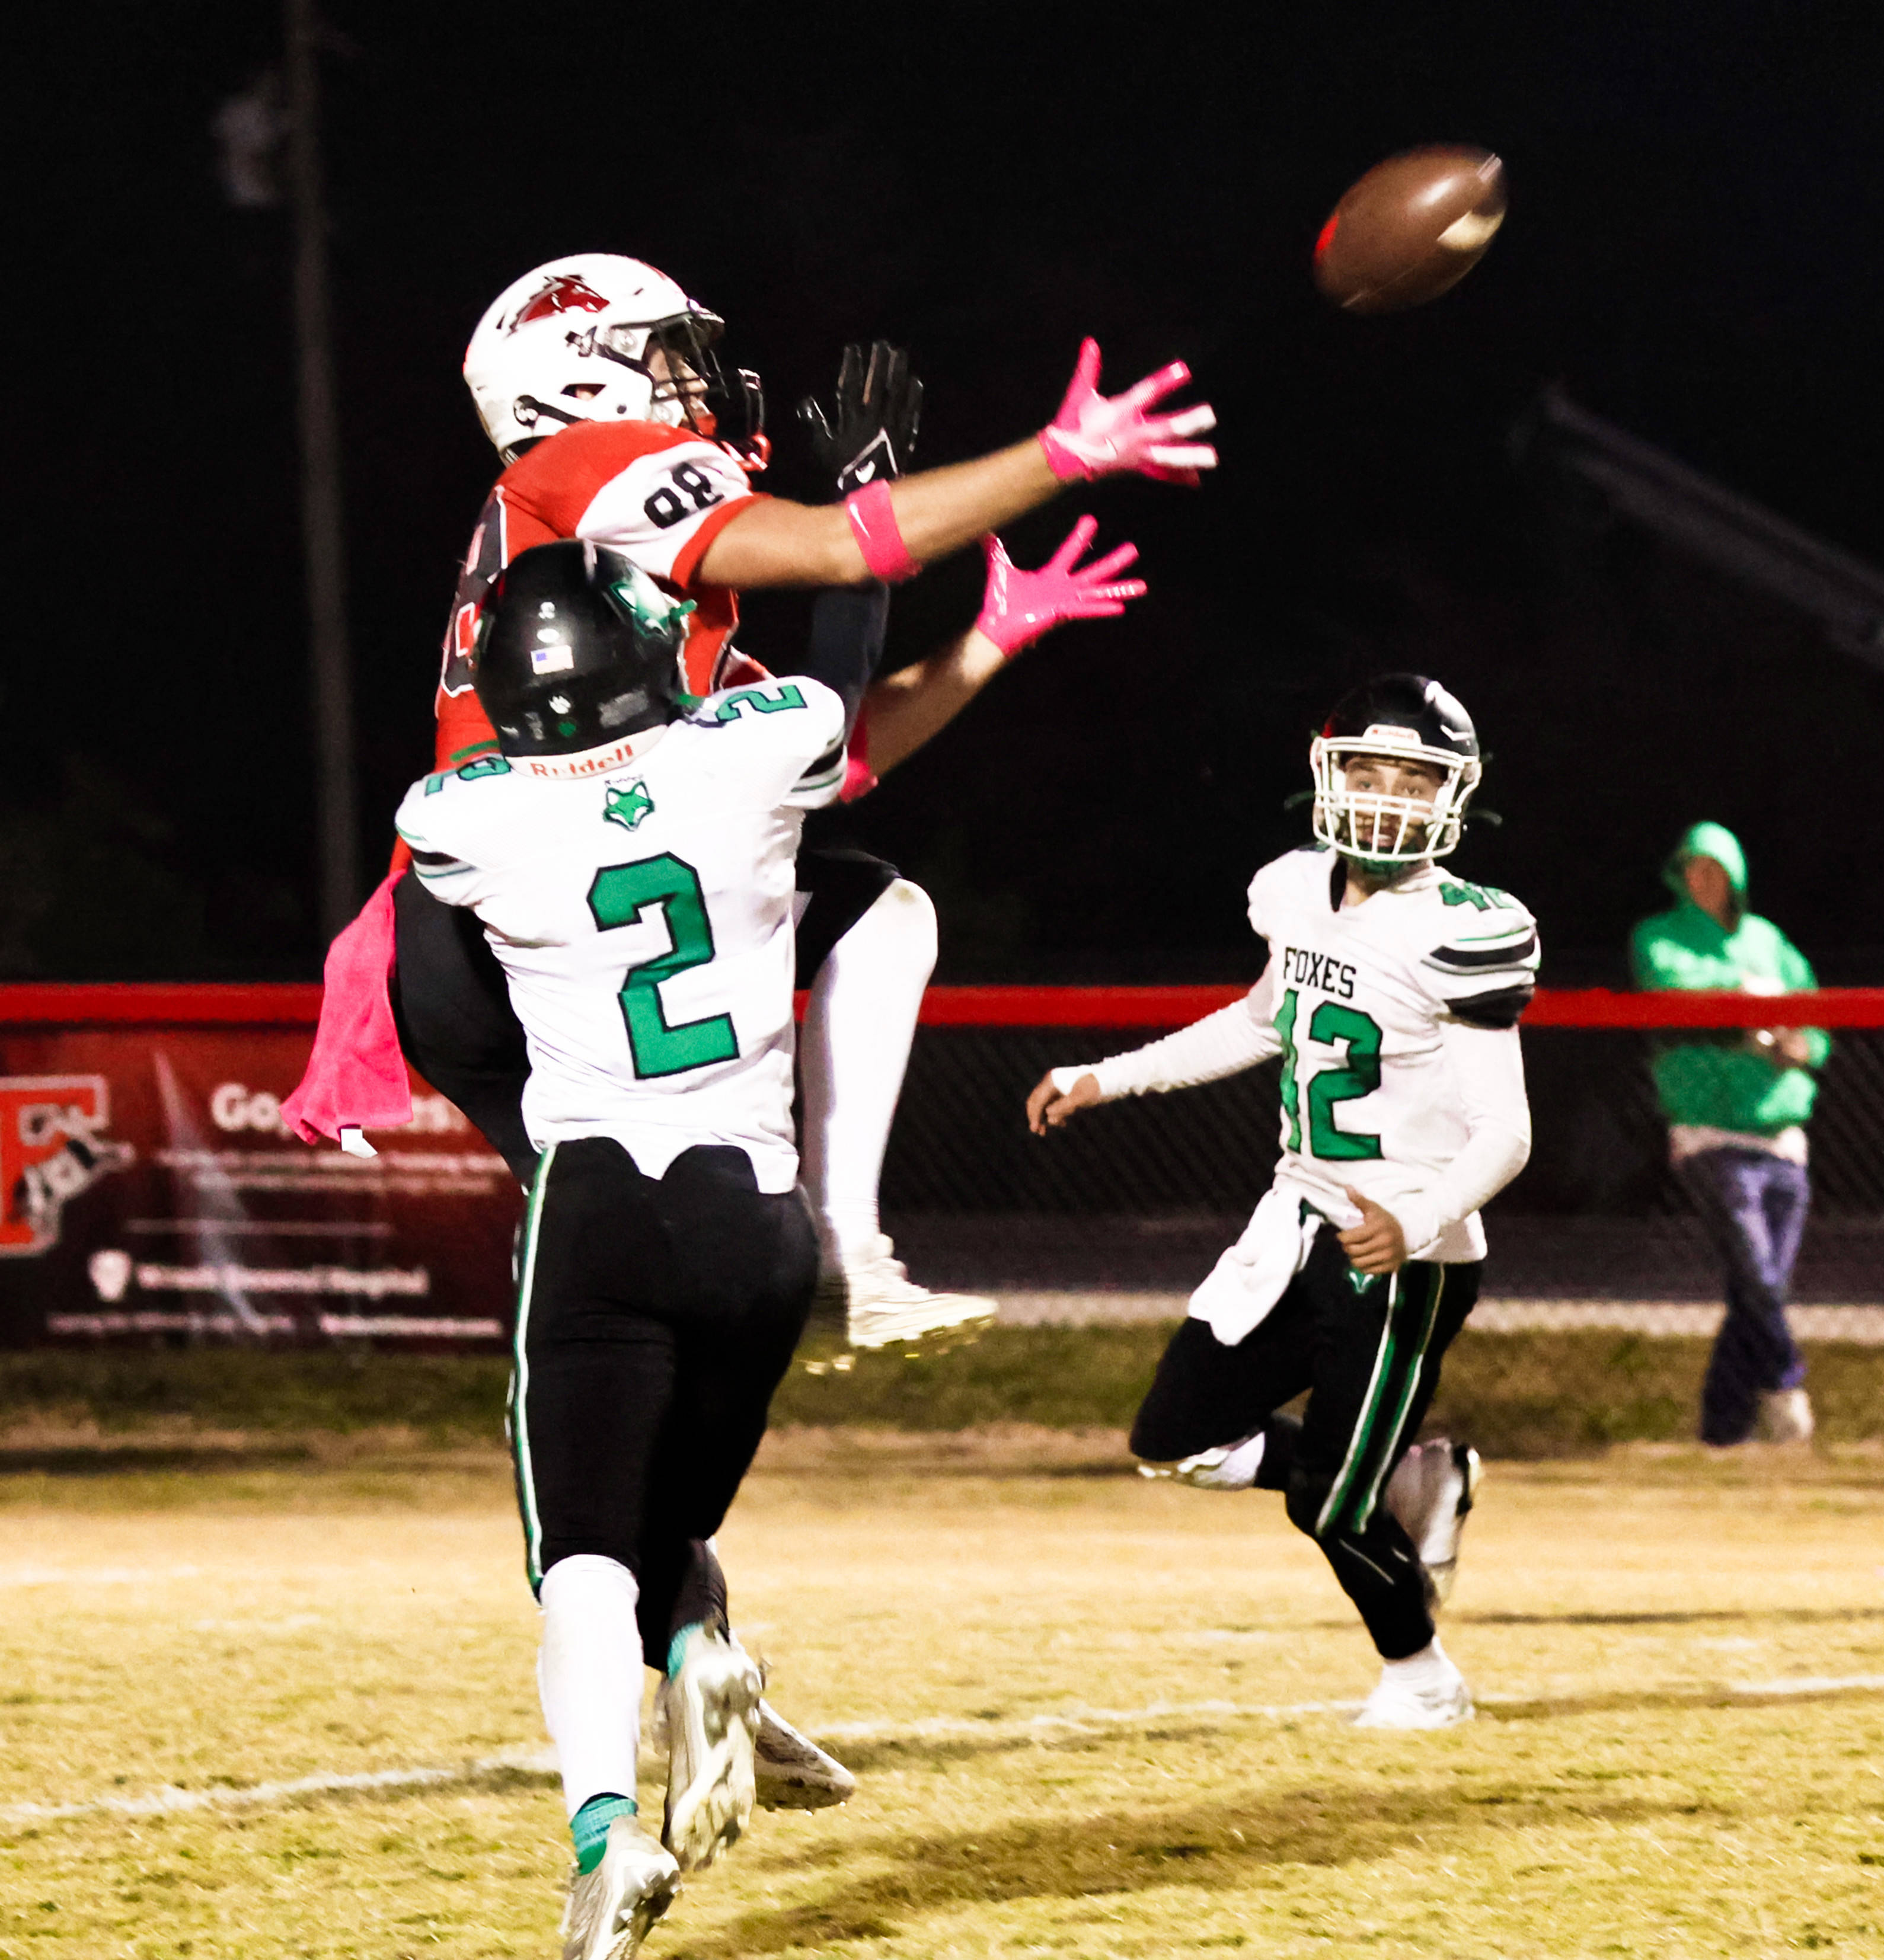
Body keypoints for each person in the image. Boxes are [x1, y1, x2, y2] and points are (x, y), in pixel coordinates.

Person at [417, 254, 1206, 1347]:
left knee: (656, 1283)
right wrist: (1059, 455)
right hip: (509, 920)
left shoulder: (625, 611)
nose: (696, 379)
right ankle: (844, 1258)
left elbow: (829, 760)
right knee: (870, 930)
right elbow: (840, 548)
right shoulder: (585, 460)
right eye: (665, 354)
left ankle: (822, 1281)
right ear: (581, 382)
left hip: (510, 918)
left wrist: (990, 636)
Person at [397, 541, 863, 1958]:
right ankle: (702, 1650)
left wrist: (520, 1128)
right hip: (757, 1222)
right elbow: (836, 695)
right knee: (668, 1522)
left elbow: (439, 1007)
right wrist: (859, 541)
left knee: (586, 1552)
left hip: (600, 1197)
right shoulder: (754, 746)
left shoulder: (463, 813)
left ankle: (606, 1837)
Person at [1026, 676, 1536, 1728]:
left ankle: (1424, 1678)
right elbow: (1264, 1018)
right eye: (1369, 771)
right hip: (1292, 1219)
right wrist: (1108, 1077)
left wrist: (1418, 1220)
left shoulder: (1462, 928)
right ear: (1328, 773)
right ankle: (1414, 1480)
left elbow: (1507, 1130)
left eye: (1414, 780)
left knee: (1330, 1502)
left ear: (1454, 795)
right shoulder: (1295, 889)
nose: (1387, 798)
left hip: (1402, 1247)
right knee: (1176, 1436)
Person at [1630, 821, 1829, 1446]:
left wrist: (1801, 1045)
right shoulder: (1658, 936)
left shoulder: (1767, 939)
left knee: (1758, 1288)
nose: (1702, 878)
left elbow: (1814, 1016)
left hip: (1781, 1134)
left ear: (1735, 875)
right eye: (1692, 866)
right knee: (1759, 1278)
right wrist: (1743, 1009)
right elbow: (1671, 993)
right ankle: (1786, 1388)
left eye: (1714, 867)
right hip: (1709, 1135)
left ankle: (1722, 1428)